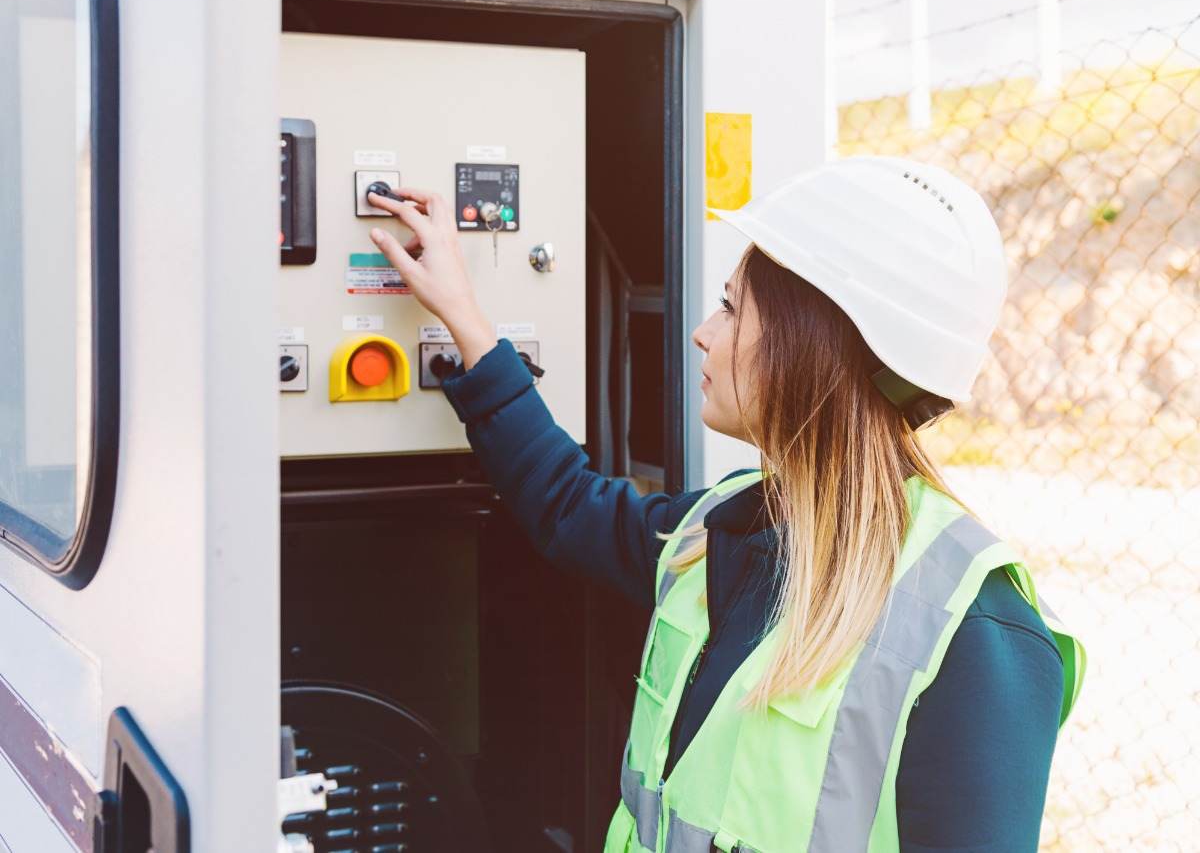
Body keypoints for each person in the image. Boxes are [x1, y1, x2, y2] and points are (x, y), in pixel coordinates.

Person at [365, 155, 1084, 853]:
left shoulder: (975, 635)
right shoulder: (727, 526)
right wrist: (462, 314)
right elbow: (569, 506)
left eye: (732, 306)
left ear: (815, 343)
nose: (703, 331)